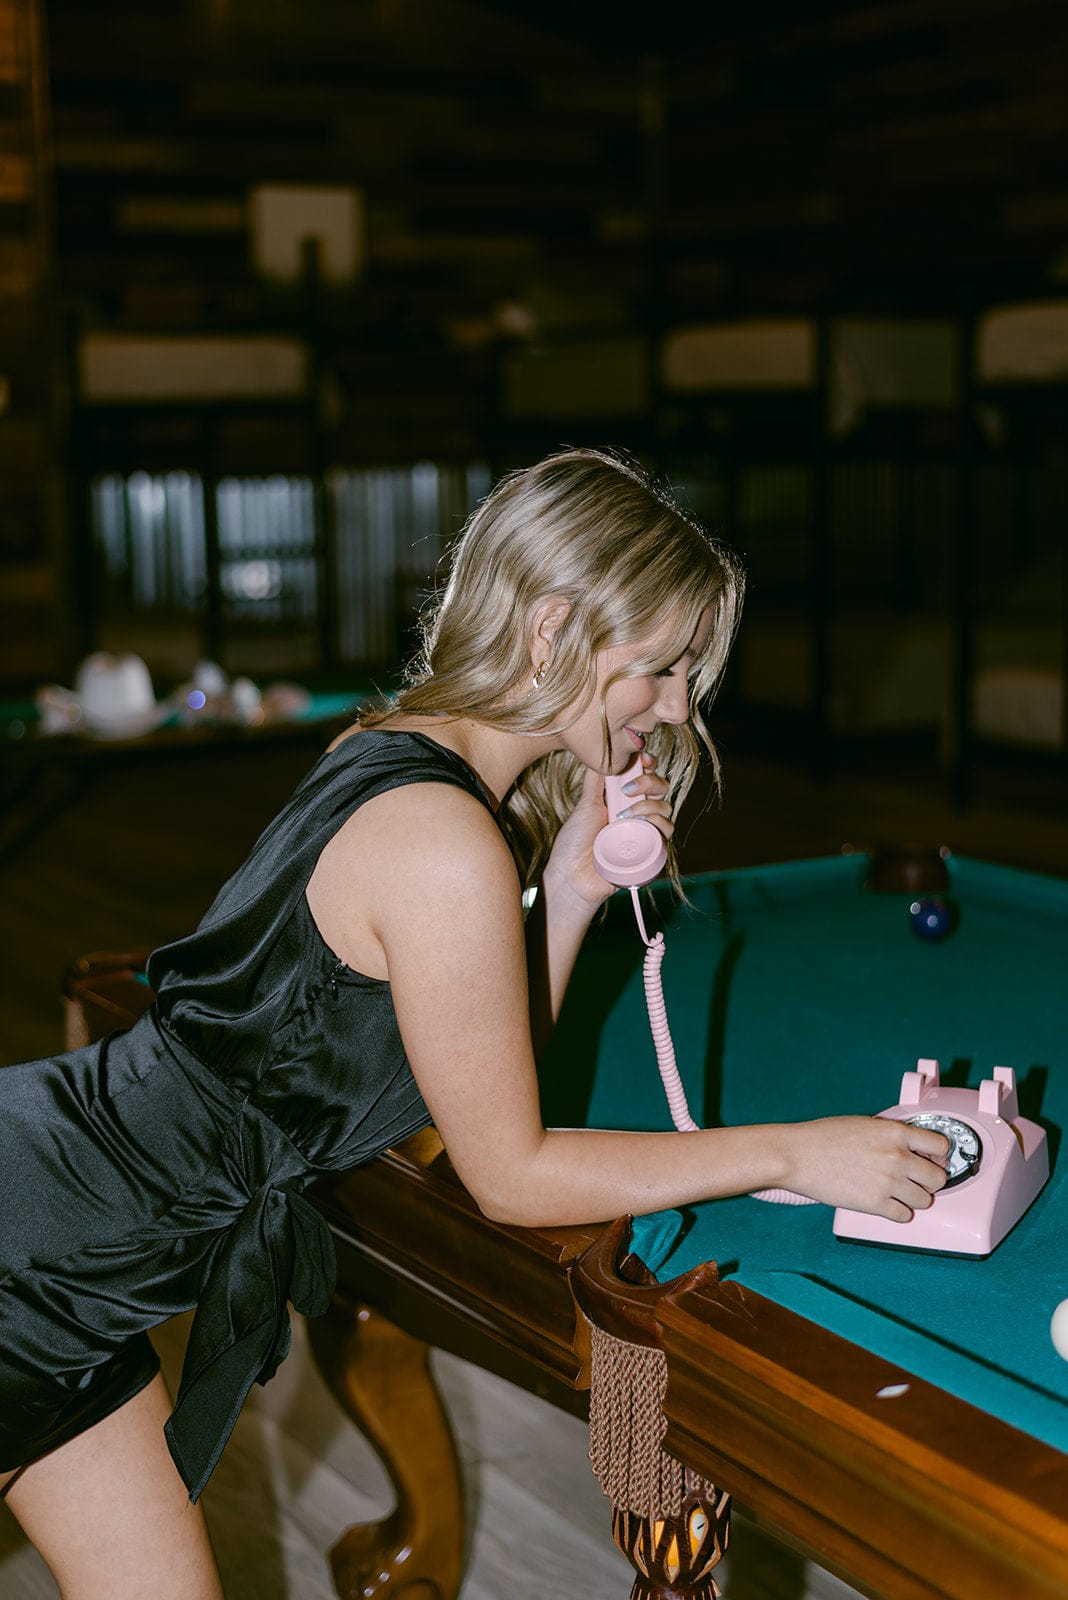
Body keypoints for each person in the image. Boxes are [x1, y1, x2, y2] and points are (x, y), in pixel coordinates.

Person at [0, 446, 949, 1598]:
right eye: (656, 669)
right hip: (29, 1246)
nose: (674, 711)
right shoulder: (446, 843)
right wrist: (800, 1149)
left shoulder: (390, 759)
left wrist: (575, 886)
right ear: (550, 629)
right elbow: (510, 1173)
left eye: (689, 680)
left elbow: (445, 1075)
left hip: (74, 1269)